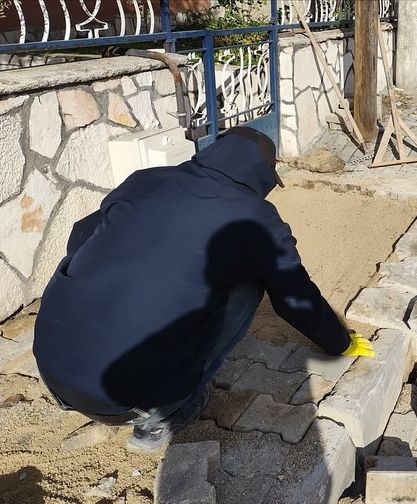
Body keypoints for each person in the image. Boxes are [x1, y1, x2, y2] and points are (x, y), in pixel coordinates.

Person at [33, 127, 373, 452]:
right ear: (260, 175)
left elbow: (80, 238)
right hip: (125, 396)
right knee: (251, 283)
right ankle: (162, 416)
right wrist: (339, 341)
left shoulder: (145, 180)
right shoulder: (256, 219)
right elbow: (294, 297)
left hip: (52, 364)